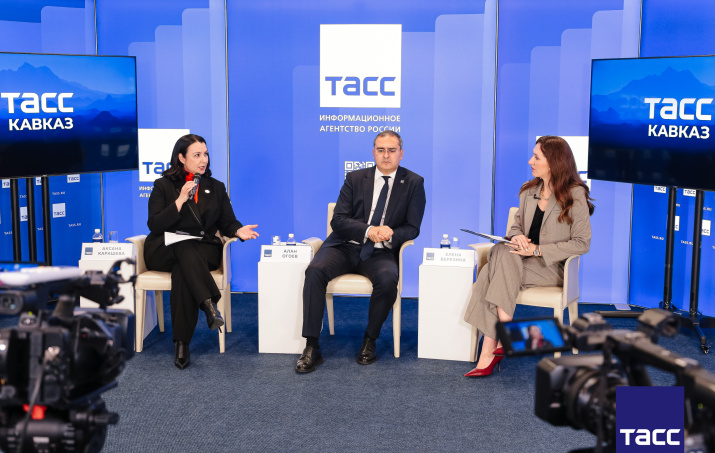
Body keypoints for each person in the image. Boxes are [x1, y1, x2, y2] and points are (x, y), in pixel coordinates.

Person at [295, 130, 426, 373]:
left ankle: (369, 339)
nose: (386, 155)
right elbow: (338, 220)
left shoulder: (414, 183)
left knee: (388, 279)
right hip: (344, 246)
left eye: (391, 150)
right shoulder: (355, 178)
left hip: (380, 252)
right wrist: (368, 230)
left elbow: (412, 227)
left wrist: (390, 234)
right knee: (314, 271)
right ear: (373, 152)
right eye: (381, 150)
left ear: (401, 153)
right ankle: (312, 346)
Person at [463, 135, 594, 377]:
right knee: (503, 250)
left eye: (536, 157)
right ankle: (505, 336)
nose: (530, 161)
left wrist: (537, 250)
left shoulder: (575, 194)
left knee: (489, 272)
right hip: (517, 262)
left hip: (552, 268)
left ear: (553, 162)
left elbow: (582, 243)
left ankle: (490, 350)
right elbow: (515, 227)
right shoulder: (529, 190)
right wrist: (517, 237)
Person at [145, 134, 259, 370]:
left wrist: (238, 230)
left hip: (202, 251)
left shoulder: (216, 187)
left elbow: (228, 222)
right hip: (163, 249)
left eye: (205, 154)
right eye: (196, 155)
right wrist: (179, 200)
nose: (203, 159)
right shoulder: (162, 185)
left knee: (184, 266)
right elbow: (154, 225)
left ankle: (182, 344)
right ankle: (208, 304)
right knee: (183, 246)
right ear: (181, 157)